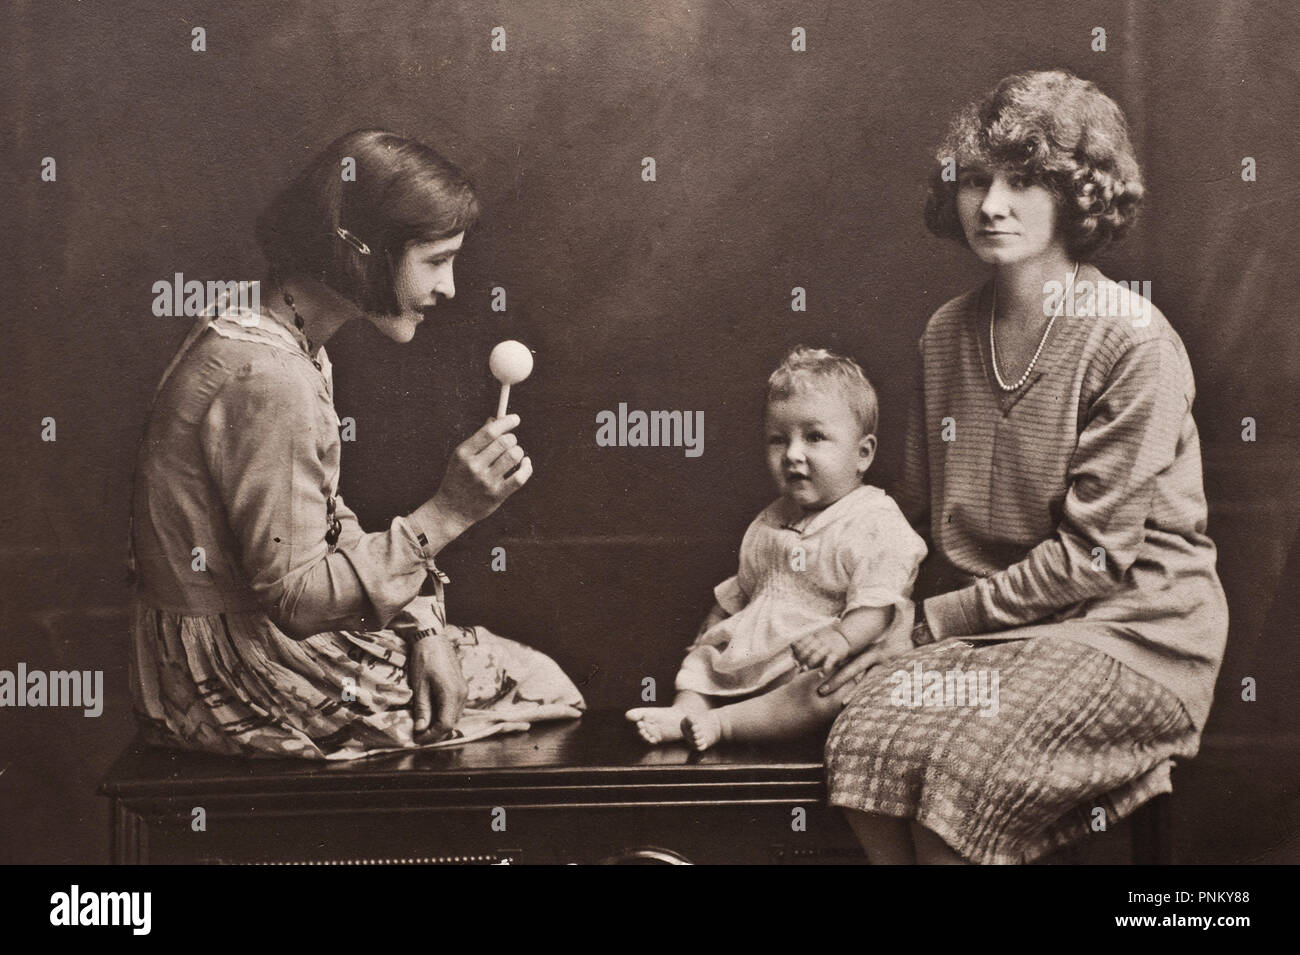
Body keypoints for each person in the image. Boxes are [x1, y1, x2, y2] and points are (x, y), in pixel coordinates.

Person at [817, 70, 1229, 863]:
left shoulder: (1133, 342)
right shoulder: (944, 334)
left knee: (958, 779)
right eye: (976, 180)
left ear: (1078, 193)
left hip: (1129, 635)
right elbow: (917, 518)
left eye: (1025, 180)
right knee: (862, 742)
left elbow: (1092, 559)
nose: (992, 204)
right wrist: (878, 620)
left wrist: (932, 624)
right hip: (992, 637)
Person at [126, 129, 583, 760]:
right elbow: (295, 597)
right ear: (361, 253)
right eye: (436, 259)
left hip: (223, 644)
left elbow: (316, 519)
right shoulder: (273, 377)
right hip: (232, 677)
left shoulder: (271, 328)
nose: (449, 287)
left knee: (482, 660)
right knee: (539, 682)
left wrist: (422, 620)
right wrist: (451, 511)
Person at [626, 346, 927, 752]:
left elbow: (878, 606)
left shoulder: (874, 520)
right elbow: (745, 588)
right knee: (700, 661)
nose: (792, 454)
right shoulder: (770, 519)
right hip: (757, 651)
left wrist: (840, 639)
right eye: (778, 440)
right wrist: (713, 625)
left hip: (814, 659)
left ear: (863, 453)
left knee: (837, 687)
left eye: (815, 437)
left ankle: (722, 724)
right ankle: (684, 712)